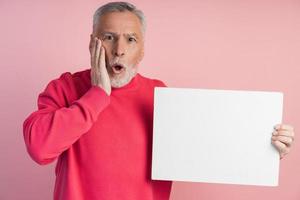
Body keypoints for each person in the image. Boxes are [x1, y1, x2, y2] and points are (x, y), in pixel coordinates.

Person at [23, 2, 295, 200]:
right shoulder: (65, 88)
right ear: (92, 42)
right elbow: (39, 148)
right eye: (108, 38)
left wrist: (264, 150)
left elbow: (208, 149)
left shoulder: (161, 96)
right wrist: (97, 95)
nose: (119, 50)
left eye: (130, 40)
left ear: (142, 50)